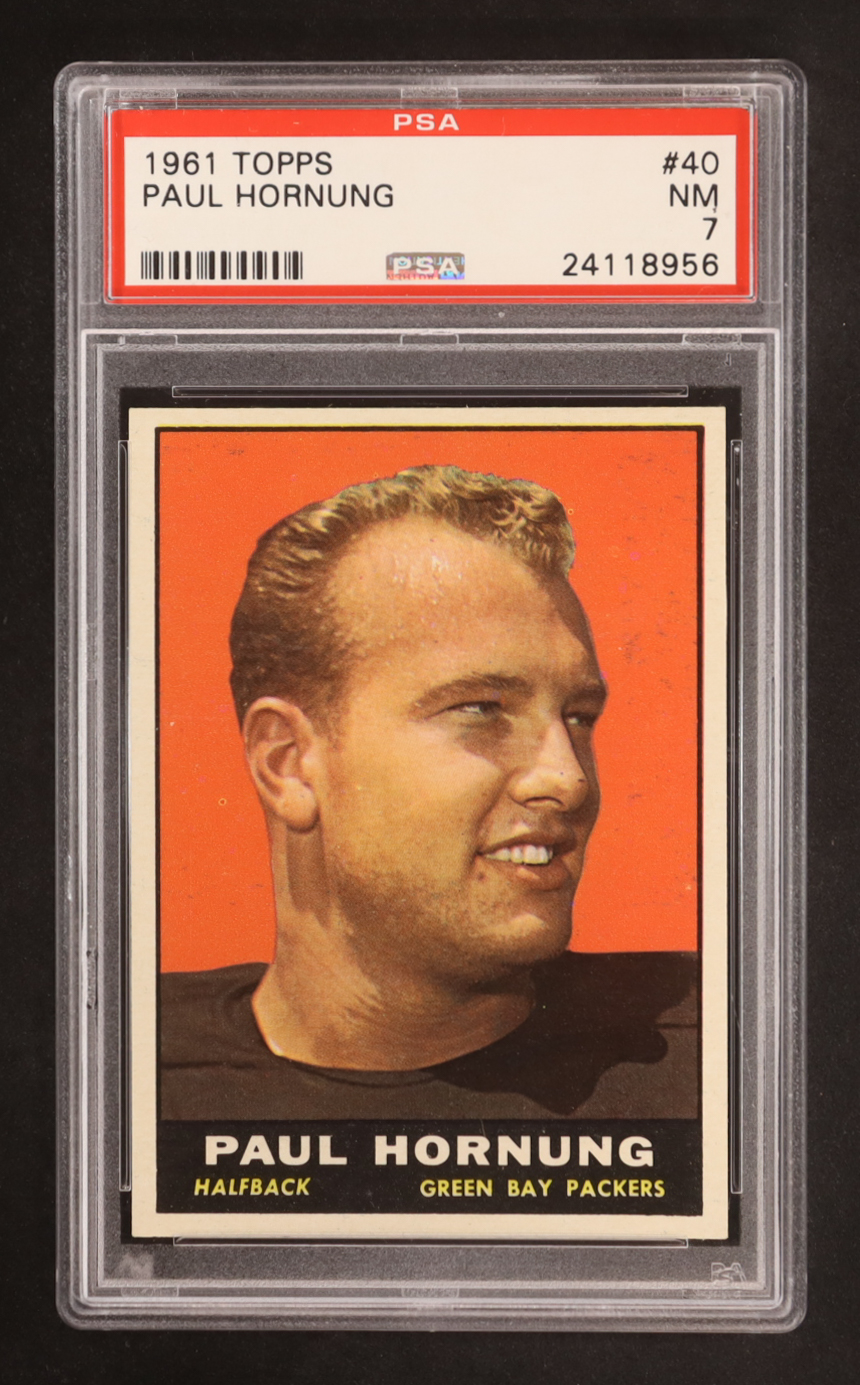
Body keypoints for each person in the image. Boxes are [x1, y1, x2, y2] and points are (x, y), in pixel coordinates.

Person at [161, 465, 697, 1120]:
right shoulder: (119, 1071)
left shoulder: (724, 1055)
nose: (568, 778)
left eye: (579, 716)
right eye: (482, 709)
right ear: (289, 764)